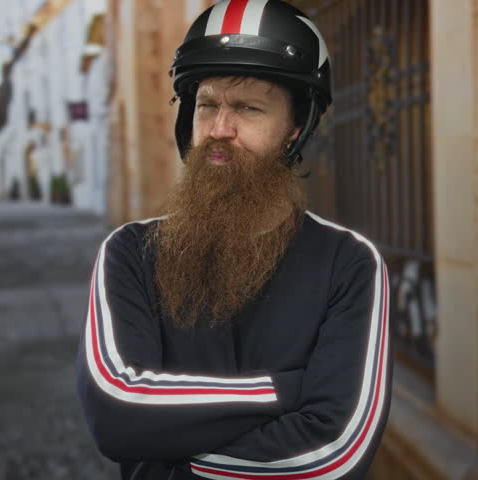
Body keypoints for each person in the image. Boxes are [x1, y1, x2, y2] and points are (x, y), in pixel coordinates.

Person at [77, 1, 392, 479]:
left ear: (294, 127)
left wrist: (171, 462)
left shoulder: (348, 264)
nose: (220, 130)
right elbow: (118, 410)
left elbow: (332, 454)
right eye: (207, 105)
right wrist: (287, 391)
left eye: (248, 107)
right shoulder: (131, 253)